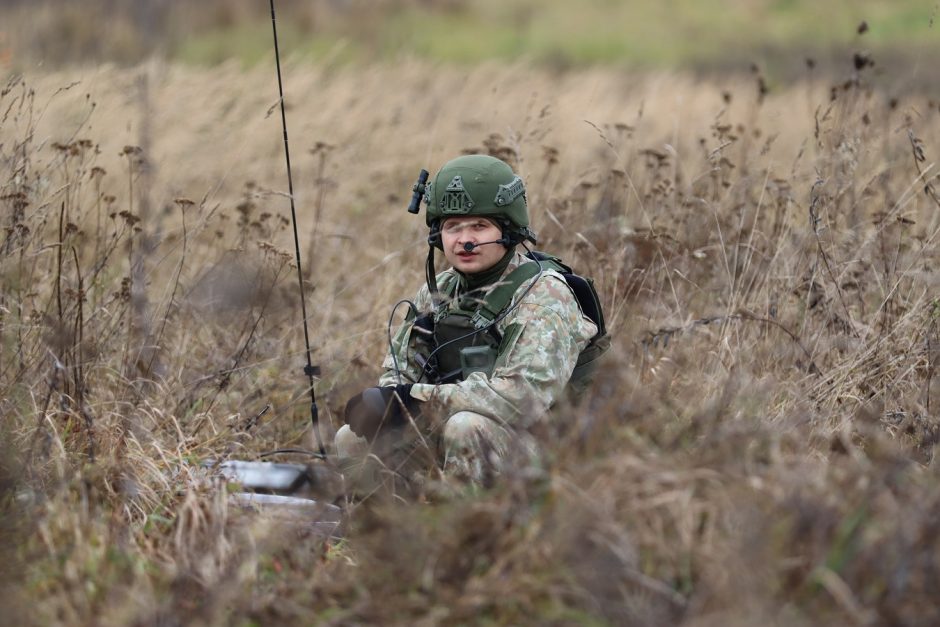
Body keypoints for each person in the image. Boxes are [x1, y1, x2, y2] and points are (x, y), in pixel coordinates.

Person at [334, 154, 605, 485]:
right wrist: (387, 406)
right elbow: (400, 373)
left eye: (480, 226)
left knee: (467, 428)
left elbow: (522, 398)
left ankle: (469, 533)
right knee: (353, 437)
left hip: (554, 454)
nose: (464, 240)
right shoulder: (442, 290)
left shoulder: (544, 294)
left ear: (507, 231)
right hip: (460, 429)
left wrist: (416, 400)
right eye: (452, 227)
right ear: (438, 235)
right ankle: (379, 528)